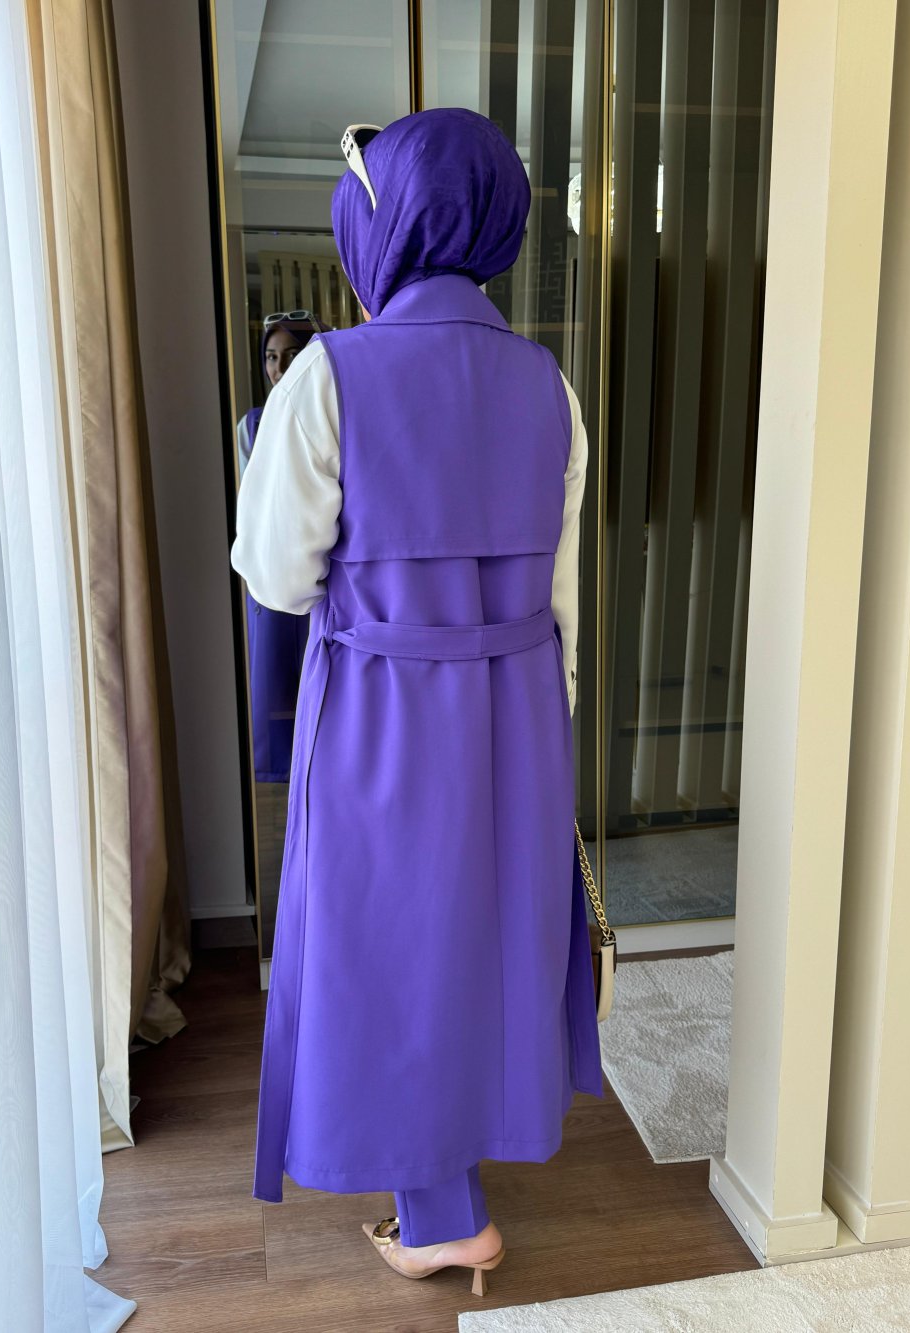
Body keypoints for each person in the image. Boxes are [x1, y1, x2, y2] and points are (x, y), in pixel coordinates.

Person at [230, 106, 603, 1297]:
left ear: (379, 227)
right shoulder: (549, 385)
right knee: (486, 936)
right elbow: (562, 595)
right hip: (518, 709)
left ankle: (443, 1215)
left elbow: (277, 574)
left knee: (384, 945)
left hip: (383, 705)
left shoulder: (327, 376)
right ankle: (447, 1197)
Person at [236, 313, 329, 782]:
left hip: (317, 564)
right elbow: (253, 505)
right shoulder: (252, 426)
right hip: (275, 565)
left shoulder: (328, 414)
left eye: (291, 355)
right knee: (274, 683)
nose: (279, 367)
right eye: (272, 357)